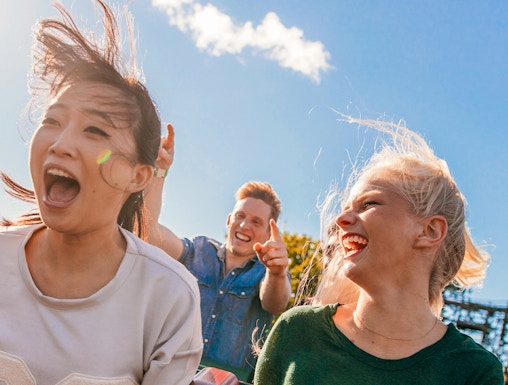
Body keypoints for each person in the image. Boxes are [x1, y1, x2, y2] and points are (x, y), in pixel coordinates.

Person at [0, 1, 202, 384]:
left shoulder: (170, 296)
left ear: (139, 176)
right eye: (52, 121)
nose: (60, 143)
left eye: (95, 131)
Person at [254, 116, 504, 384]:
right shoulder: (297, 330)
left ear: (429, 231)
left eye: (368, 204)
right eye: (346, 207)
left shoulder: (474, 371)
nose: (341, 220)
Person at [145, 124, 292, 380]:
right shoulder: (199, 249)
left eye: (257, 222)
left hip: (227, 380)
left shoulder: (267, 272)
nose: (245, 225)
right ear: (228, 220)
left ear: (269, 233)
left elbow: (275, 304)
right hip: (171, 372)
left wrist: (278, 273)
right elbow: (148, 233)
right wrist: (158, 172)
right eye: (240, 216)